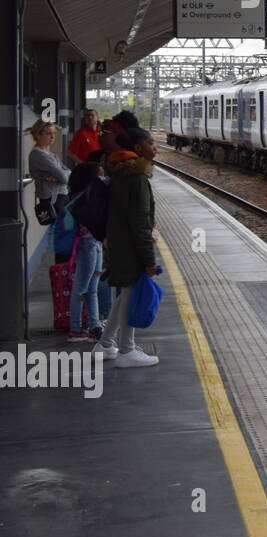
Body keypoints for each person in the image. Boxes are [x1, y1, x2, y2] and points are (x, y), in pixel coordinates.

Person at [94, 126, 160, 368]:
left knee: (125, 295)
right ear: (137, 148)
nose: (155, 149)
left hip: (118, 242)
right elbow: (141, 223)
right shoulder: (137, 178)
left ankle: (106, 343)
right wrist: (149, 260)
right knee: (131, 295)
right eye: (151, 144)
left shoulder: (121, 173)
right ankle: (126, 351)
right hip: (130, 247)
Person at [62, 162, 107, 341]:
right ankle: (76, 327)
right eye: (100, 175)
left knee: (92, 288)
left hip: (94, 244)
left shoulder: (82, 196)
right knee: (81, 287)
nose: (103, 178)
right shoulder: (83, 198)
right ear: (91, 179)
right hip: (87, 245)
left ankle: (94, 324)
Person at [27, 119, 71, 219]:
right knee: (61, 231)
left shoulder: (51, 155)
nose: (53, 137)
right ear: (38, 135)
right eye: (49, 134)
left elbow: (68, 172)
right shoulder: (38, 155)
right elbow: (64, 178)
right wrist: (61, 176)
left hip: (60, 197)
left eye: (54, 133)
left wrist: (60, 175)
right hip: (53, 200)